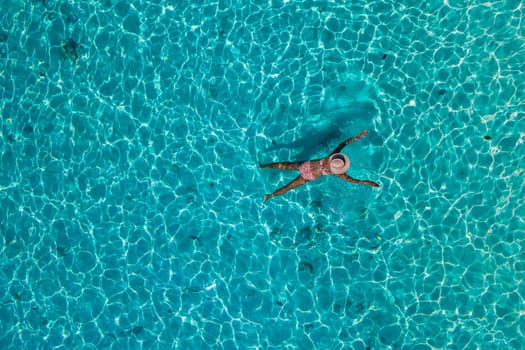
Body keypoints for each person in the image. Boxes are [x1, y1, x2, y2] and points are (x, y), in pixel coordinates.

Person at [260, 130, 379, 202]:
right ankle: (270, 195)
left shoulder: (331, 156)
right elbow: (354, 181)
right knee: (288, 187)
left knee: (284, 165)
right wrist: (368, 182)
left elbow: (343, 143)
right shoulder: (338, 173)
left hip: (306, 165)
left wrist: (358, 137)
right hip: (310, 176)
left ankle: (263, 166)